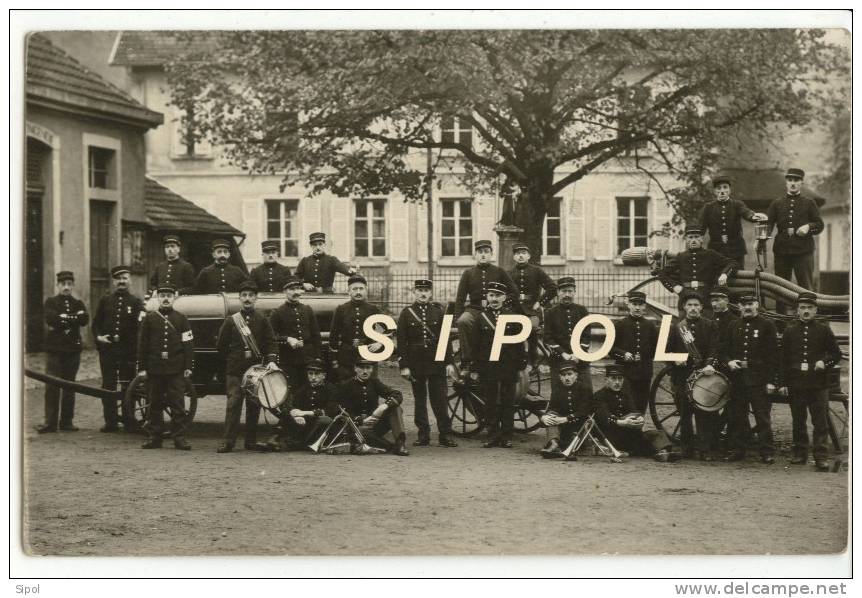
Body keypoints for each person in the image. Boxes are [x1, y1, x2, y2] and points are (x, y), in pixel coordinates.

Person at [781, 292, 842, 472]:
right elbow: (783, 359)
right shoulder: (790, 330)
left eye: (809, 308)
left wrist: (825, 362)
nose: (806, 311)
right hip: (797, 383)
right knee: (798, 420)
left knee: (820, 422)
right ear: (797, 310)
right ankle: (800, 453)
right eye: (802, 308)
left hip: (818, 383)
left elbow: (836, 354)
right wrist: (784, 382)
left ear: (815, 310)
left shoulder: (823, 329)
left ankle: (821, 457)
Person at [215, 280, 279, 453]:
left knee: (254, 406)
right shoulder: (231, 321)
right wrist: (229, 364)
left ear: (256, 298)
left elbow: (271, 342)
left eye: (251, 295)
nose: (247, 299)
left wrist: (271, 359)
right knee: (233, 405)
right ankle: (227, 442)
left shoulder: (262, 319)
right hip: (235, 370)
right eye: (244, 295)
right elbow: (221, 346)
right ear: (239, 298)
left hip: (255, 371)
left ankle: (250, 441)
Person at [397, 279, 458, 448]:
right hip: (416, 361)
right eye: (420, 290)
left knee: (440, 399)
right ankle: (423, 435)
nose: (423, 293)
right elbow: (401, 342)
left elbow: (446, 340)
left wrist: (449, 363)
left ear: (431, 293)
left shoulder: (439, 312)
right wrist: (404, 366)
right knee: (420, 400)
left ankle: (445, 435)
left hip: (436, 360)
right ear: (414, 292)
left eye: (426, 290)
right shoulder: (406, 313)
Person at [468, 281, 528, 449]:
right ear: (487, 297)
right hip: (489, 366)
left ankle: (507, 436)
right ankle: (492, 435)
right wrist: (474, 368)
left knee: (508, 401)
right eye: (491, 295)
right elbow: (475, 345)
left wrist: (521, 363)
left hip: (508, 365)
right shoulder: (481, 318)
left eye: (498, 296)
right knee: (491, 401)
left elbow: (519, 342)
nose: (494, 299)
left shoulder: (512, 316)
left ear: (504, 297)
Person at [721, 293, 780, 464]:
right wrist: (729, 361)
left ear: (757, 305)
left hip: (759, 379)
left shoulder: (767, 325)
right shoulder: (734, 325)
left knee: (762, 417)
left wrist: (771, 381)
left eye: (751, 303)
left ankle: (766, 451)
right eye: (743, 304)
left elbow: (773, 356)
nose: (747, 307)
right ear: (739, 307)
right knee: (738, 416)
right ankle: (739, 450)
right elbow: (724, 350)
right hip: (738, 379)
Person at [137, 285, 194, 450]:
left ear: (174, 297)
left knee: (178, 405)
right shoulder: (150, 319)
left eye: (169, 295)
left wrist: (188, 366)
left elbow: (188, 344)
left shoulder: (181, 319)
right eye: (162, 295)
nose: (166, 298)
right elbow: (143, 345)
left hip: (176, 369)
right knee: (154, 404)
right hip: (155, 368)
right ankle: (155, 438)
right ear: (158, 298)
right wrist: (142, 368)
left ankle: (179, 438)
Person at [666, 291, 721, 460]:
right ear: (684, 307)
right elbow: (665, 352)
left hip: (703, 376)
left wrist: (711, 364)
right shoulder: (676, 327)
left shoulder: (710, 325)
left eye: (696, 305)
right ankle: (687, 449)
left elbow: (715, 348)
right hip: (682, 376)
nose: (693, 309)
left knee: (704, 414)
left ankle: (705, 450)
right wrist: (676, 360)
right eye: (689, 305)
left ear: (702, 308)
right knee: (685, 414)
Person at [453, 240, 521, 372]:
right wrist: (457, 316)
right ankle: (467, 361)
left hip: (495, 310)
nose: (483, 255)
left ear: (491, 254)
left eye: (486, 252)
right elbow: (460, 297)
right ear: (475, 255)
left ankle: (507, 360)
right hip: (475, 309)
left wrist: (501, 303)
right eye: (480, 252)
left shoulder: (499, 271)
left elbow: (514, 292)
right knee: (463, 321)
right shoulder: (468, 273)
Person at [92, 265, 144, 432]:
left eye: (124, 278)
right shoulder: (105, 300)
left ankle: (129, 420)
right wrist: (99, 337)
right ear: (114, 281)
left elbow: (141, 327)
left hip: (128, 352)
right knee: (108, 385)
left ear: (129, 280)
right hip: (108, 351)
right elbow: (96, 325)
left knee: (128, 386)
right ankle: (111, 421)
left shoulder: (136, 302)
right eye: (118, 278)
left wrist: (136, 348)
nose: (121, 281)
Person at [37, 270, 88, 433]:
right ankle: (50, 422)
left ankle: (67, 422)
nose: (66, 287)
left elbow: (84, 319)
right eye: (63, 284)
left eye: (69, 284)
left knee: (69, 385)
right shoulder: (50, 302)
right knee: (52, 385)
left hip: (72, 350)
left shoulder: (78, 303)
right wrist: (73, 318)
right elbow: (51, 318)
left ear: (72, 286)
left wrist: (64, 317)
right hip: (55, 350)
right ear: (58, 285)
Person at [594, 365, 679, 462]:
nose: (617, 382)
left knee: (657, 433)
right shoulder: (599, 395)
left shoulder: (626, 394)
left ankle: (663, 452)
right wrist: (622, 422)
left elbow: (634, 410)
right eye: (613, 379)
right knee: (640, 440)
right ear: (606, 380)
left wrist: (639, 418)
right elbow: (603, 416)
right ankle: (658, 453)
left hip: (628, 431)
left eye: (620, 379)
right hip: (611, 435)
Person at [766, 168, 824, 295]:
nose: (793, 183)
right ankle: (782, 315)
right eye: (790, 180)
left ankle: (807, 314)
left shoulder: (809, 203)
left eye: (796, 180)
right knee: (780, 288)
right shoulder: (777, 203)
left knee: (805, 287)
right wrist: (762, 238)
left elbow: (820, 225)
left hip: (804, 251)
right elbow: (768, 224)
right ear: (786, 182)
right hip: (782, 251)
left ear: (801, 183)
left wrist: (808, 227)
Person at [335, 359, 410, 456]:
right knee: (360, 433)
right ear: (355, 369)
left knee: (396, 408)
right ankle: (391, 447)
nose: (365, 371)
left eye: (368, 368)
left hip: (375, 423)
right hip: (357, 426)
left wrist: (383, 406)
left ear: (371, 369)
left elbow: (397, 394)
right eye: (361, 368)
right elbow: (341, 410)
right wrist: (360, 421)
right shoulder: (346, 385)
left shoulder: (374, 382)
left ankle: (400, 443)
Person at [658, 225, 735, 311]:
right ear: (686, 240)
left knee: (707, 322)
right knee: (684, 322)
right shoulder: (681, 256)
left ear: (702, 239)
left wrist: (724, 274)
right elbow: (662, 273)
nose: (693, 240)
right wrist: (675, 286)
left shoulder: (710, 254)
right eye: (690, 237)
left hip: (706, 296)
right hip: (685, 296)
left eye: (696, 237)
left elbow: (731, 263)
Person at [699, 174, 768, 269]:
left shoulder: (737, 205)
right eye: (719, 188)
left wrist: (753, 216)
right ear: (714, 191)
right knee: (716, 277)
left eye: (725, 187)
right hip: (715, 250)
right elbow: (700, 229)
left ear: (730, 190)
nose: (722, 191)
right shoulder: (708, 208)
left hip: (736, 249)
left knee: (738, 276)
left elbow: (746, 212)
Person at [269, 276, 321, 389]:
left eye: (298, 288)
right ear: (285, 291)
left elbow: (316, 335)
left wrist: (317, 357)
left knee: (308, 390)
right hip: (288, 360)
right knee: (290, 391)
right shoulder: (277, 312)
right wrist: (287, 339)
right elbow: (271, 337)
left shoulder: (307, 310)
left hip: (307, 359)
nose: (296, 292)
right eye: (292, 289)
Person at [509, 243, 557, 366]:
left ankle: (532, 361)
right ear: (514, 257)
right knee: (510, 331)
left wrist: (540, 302)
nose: (520, 256)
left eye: (523, 253)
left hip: (532, 311)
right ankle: (515, 360)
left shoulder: (537, 271)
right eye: (518, 253)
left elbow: (552, 288)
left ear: (529, 256)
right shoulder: (509, 273)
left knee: (531, 330)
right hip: (514, 310)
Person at [328, 275, 384, 381]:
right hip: (346, 356)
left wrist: (379, 342)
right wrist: (334, 359)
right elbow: (333, 336)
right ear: (349, 292)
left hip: (368, 355)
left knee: (369, 387)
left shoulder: (374, 310)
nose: (358, 292)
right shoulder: (341, 310)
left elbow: (385, 331)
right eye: (354, 289)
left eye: (361, 289)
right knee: (347, 388)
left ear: (366, 291)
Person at [610, 290, 658, 413]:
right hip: (625, 373)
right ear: (628, 305)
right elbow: (610, 349)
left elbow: (655, 349)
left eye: (640, 304)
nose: (637, 307)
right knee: (625, 406)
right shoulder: (620, 325)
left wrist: (645, 355)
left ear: (645, 306)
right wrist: (623, 354)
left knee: (641, 405)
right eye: (634, 304)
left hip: (644, 373)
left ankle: (638, 431)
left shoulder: (650, 326)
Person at [543, 276, 593, 390]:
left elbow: (586, 335)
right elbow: (547, 338)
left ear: (574, 292)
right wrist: (563, 354)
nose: (567, 294)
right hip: (559, 360)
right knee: (558, 395)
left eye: (570, 291)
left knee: (586, 392)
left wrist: (578, 354)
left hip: (580, 360)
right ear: (558, 292)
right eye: (563, 291)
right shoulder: (550, 313)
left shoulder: (582, 311)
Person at [277, 358, 338, 450]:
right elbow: (290, 405)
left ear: (324, 376)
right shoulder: (303, 389)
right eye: (310, 374)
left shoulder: (331, 389)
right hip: (305, 423)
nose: (313, 377)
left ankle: (297, 443)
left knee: (324, 420)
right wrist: (295, 414)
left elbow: (330, 410)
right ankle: (282, 440)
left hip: (320, 426)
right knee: (286, 415)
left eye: (317, 374)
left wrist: (304, 413)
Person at [539, 361, 594, 459]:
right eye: (563, 375)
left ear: (576, 375)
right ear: (560, 377)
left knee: (573, 440)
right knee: (551, 415)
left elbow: (585, 411)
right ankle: (553, 444)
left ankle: (570, 448)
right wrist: (544, 417)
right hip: (563, 427)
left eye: (570, 374)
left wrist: (567, 418)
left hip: (579, 425)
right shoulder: (557, 390)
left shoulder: (584, 389)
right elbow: (552, 407)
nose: (567, 378)